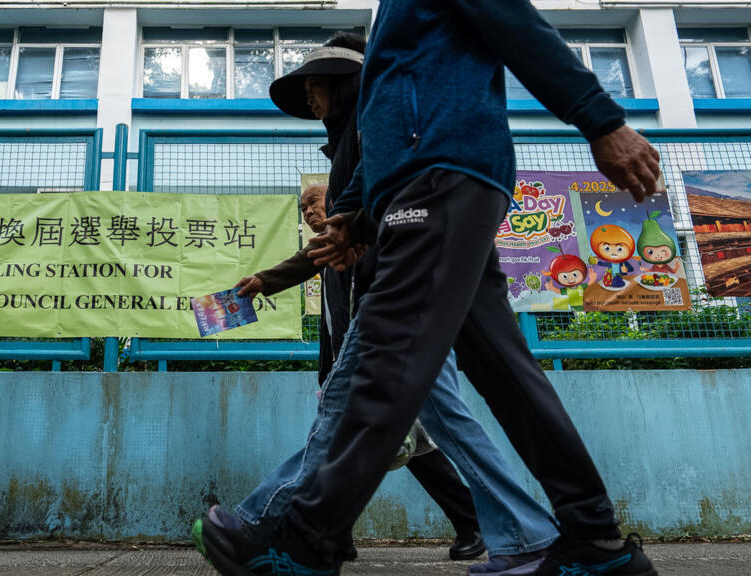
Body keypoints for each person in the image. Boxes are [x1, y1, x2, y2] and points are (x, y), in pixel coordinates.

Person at [192, 0, 663, 575]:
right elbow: (392, 117)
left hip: (440, 177)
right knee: (503, 371)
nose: (312, 99)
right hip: (429, 184)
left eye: (317, 87)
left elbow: (513, 20)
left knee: (389, 355)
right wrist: (357, 215)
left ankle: (307, 540)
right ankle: (596, 542)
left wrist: (600, 119)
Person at [229, 181, 488, 564]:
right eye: (303, 209)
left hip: (383, 358)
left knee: (386, 447)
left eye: (313, 203)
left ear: (335, 200)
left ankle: (474, 524)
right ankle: (332, 536)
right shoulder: (328, 254)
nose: (309, 213)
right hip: (351, 367)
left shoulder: (363, 239)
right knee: (362, 448)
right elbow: (323, 300)